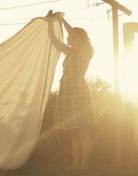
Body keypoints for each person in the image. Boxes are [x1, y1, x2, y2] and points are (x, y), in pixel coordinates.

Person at [46, 10, 96, 174]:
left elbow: (75, 34)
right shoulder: (70, 51)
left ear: (79, 38)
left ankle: (84, 164)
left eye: (71, 36)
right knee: (73, 131)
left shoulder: (85, 51)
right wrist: (50, 24)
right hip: (67, 91)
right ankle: (76, 164)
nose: (68, 38)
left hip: (78, 91)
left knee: (82, 130)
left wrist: (62, 19)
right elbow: (54, 41)